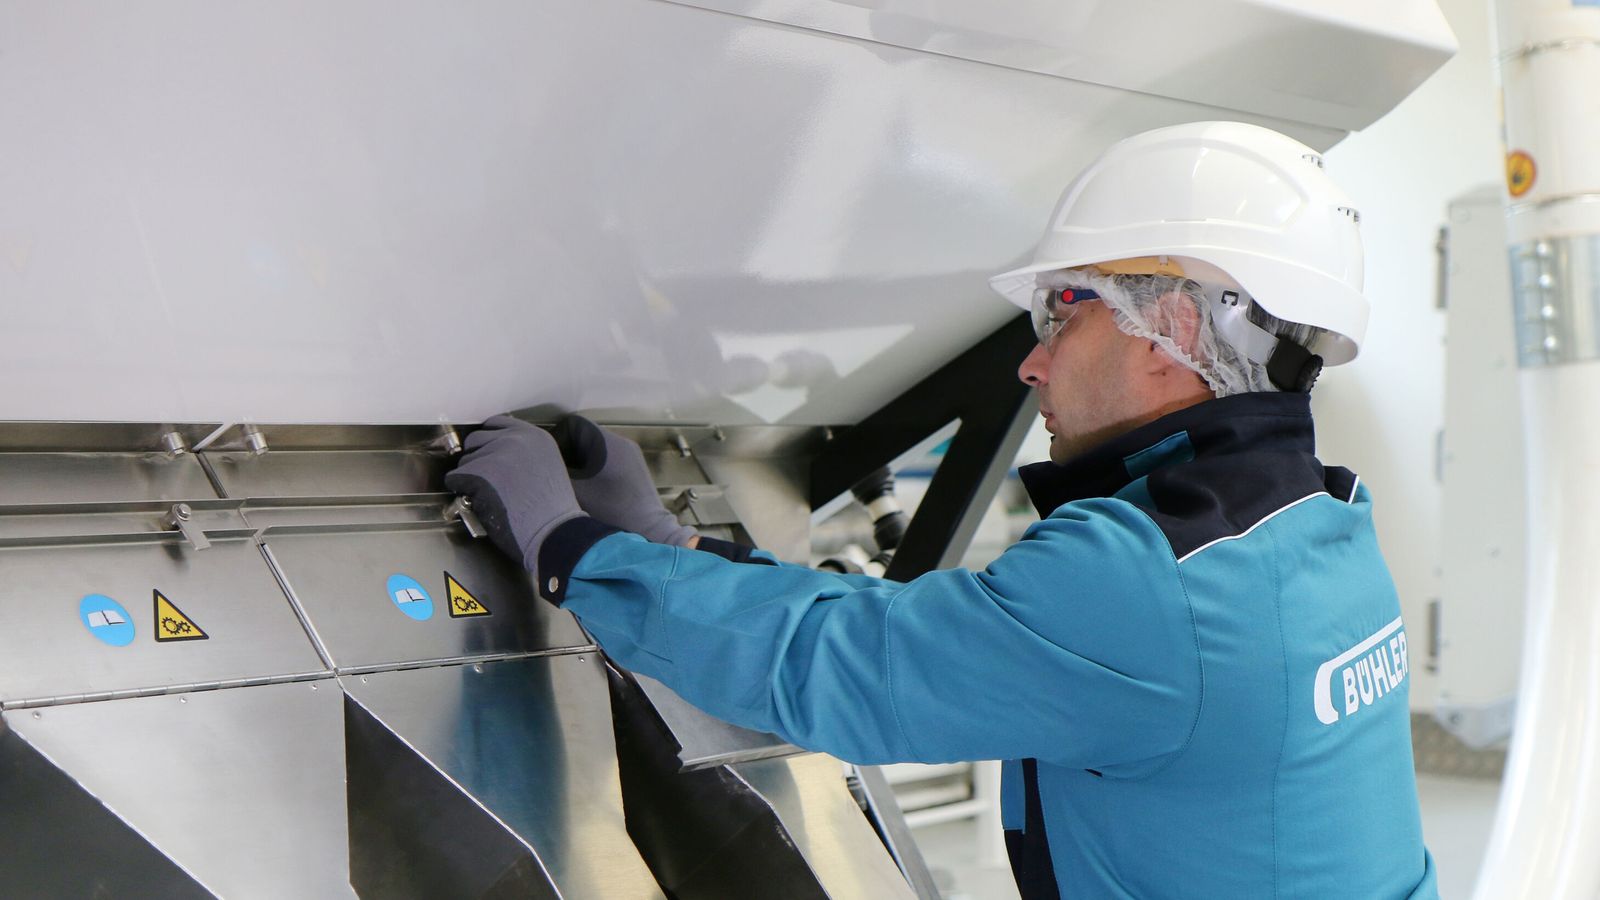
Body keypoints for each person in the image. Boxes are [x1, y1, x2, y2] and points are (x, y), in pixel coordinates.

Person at [446, 121, 1437, 899]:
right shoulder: (1320, 522)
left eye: (1066, 308)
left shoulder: (1153, 583)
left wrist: (576, 549)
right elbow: (914, 636)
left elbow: (848, 667)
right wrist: (674, 546)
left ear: (1170, 328)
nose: (1031, 359)